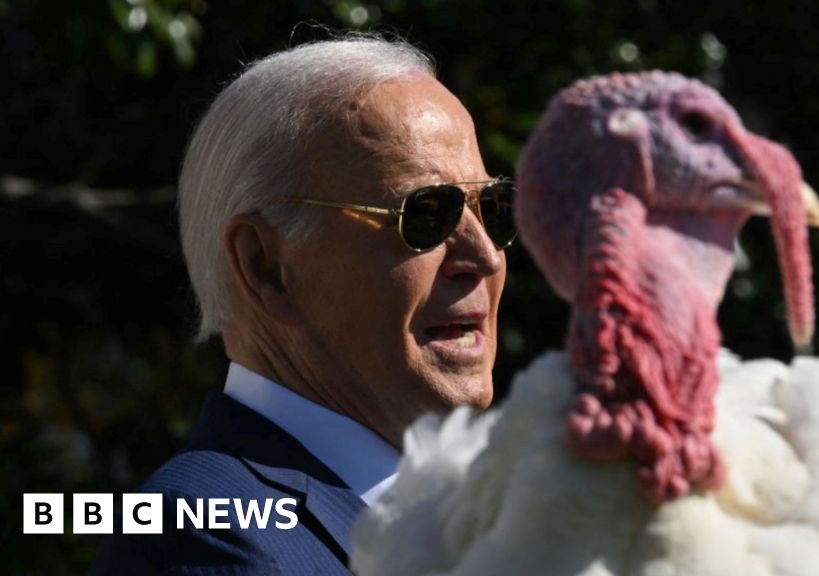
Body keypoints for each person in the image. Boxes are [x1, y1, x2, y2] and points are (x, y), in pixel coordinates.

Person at [90, 35, 512, 575]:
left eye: (494, 210)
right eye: (427, 214)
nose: (485, 257)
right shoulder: (199, 539)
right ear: (265, 267)